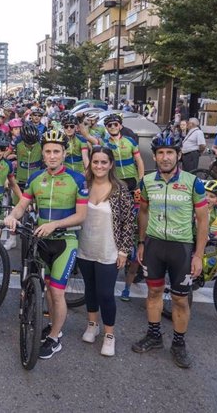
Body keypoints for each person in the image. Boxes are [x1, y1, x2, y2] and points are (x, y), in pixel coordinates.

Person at [4, 129, 88, 360]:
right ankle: (52, 326)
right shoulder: (35, 178)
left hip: (65, 240)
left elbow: (81, 215)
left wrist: (55, 224)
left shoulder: (76, 179)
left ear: (64, 153)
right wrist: (13, 216)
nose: (52, 156)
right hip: (41, 241)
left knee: (56, 292)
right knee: (47, 289)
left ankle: (54, 337)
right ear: (43, 154)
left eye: (56, 151)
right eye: (48, 151)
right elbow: (22, 205)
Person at [132, 130, 208, 369]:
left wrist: (198, 255)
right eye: (161, 153)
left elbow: (203, 220)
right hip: (154, 245)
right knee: (153, 294)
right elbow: (143, 212)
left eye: (170, 153)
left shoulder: (192, 183)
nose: (165, 157)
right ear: (154, 156)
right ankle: (154, 336)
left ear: (178, 155)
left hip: (182, 249)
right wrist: (141, 243)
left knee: (180, 300)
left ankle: (178, 343)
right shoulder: (146, 182)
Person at [76, 146, 134, 357]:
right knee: (90, 289)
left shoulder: (120, 189)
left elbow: (129, 222)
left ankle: (109, 334)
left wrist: (124, 251)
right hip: (85, 247)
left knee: (105, 294)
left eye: (103, 162)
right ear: (90, 164)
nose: (99, 166)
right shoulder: (83, 185)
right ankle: (92, 324)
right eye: (95, 162)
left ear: (110, 164)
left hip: (109, 250)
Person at [102, 113, 144, 191]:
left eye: (115, 124)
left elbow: (139, 161)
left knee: (134, 202)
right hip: (115, 179)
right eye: (109, 125)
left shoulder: (130, 140)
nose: (113, 127)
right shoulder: (105, 143)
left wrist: (141, 179)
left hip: (132, 178)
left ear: (120, 126)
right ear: (106, 128)